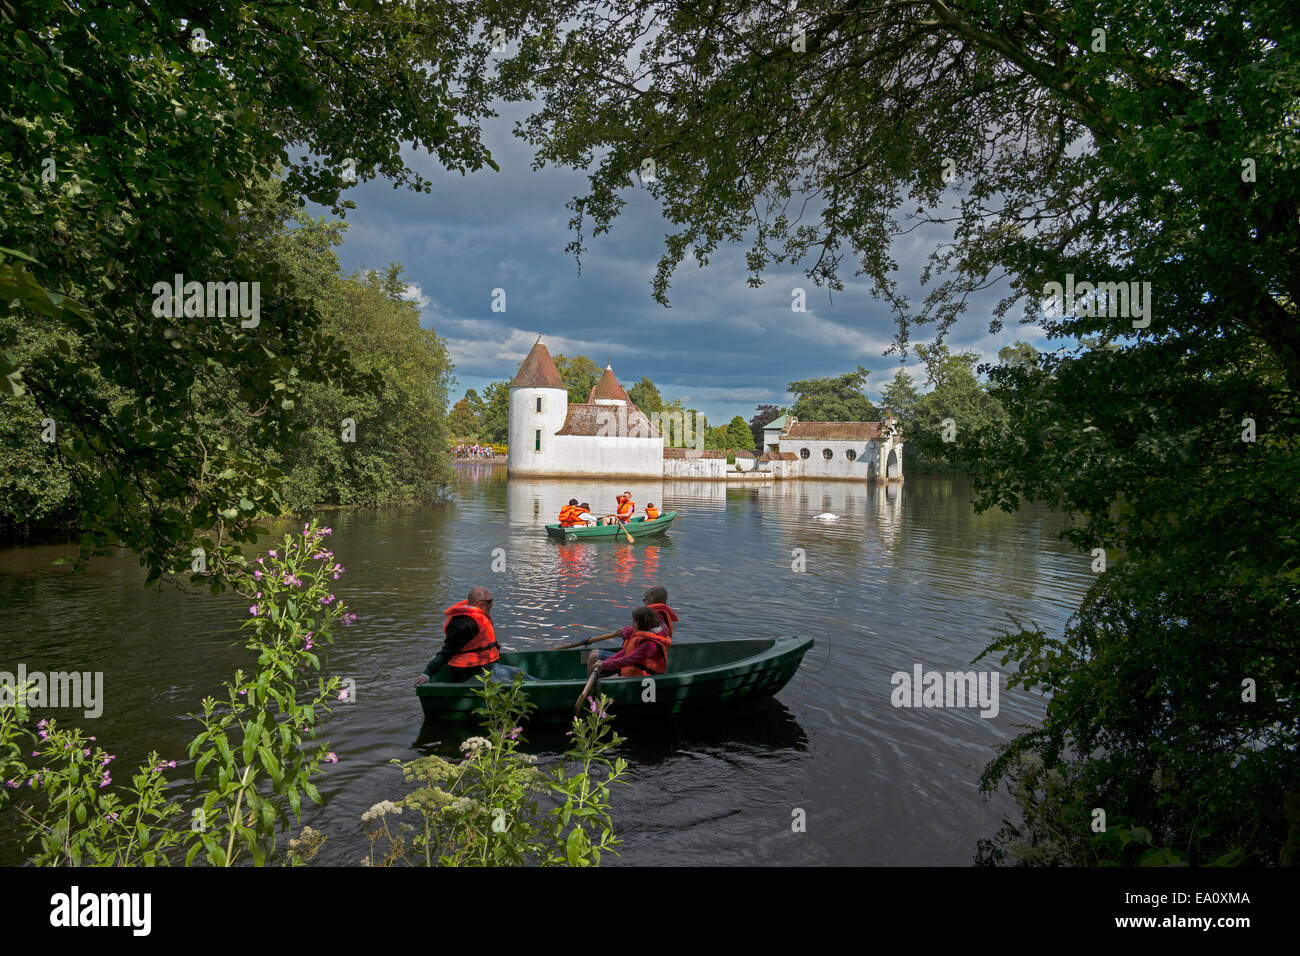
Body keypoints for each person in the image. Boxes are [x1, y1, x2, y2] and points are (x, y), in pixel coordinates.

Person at [414, 586, 526, 685]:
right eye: (489, 601)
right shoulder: (464, 624)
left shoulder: (478, 617)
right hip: (468, 676)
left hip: (487, 669)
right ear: (478, 603)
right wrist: (427, 674)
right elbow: (446, 652)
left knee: (520, 674)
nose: (492, 604)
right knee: (515, 684)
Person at [586, 606, 671, 678]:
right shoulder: (645, 632)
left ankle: (591, 693)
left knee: (604, 681)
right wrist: (605, 662)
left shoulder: (650, 645)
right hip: (632, 668)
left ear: (642, 624)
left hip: (642, 676)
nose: (632, 624)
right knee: (594, 656)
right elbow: (625, 652)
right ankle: (590, 688)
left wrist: (605, 665)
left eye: (634, 622)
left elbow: (628, 659)